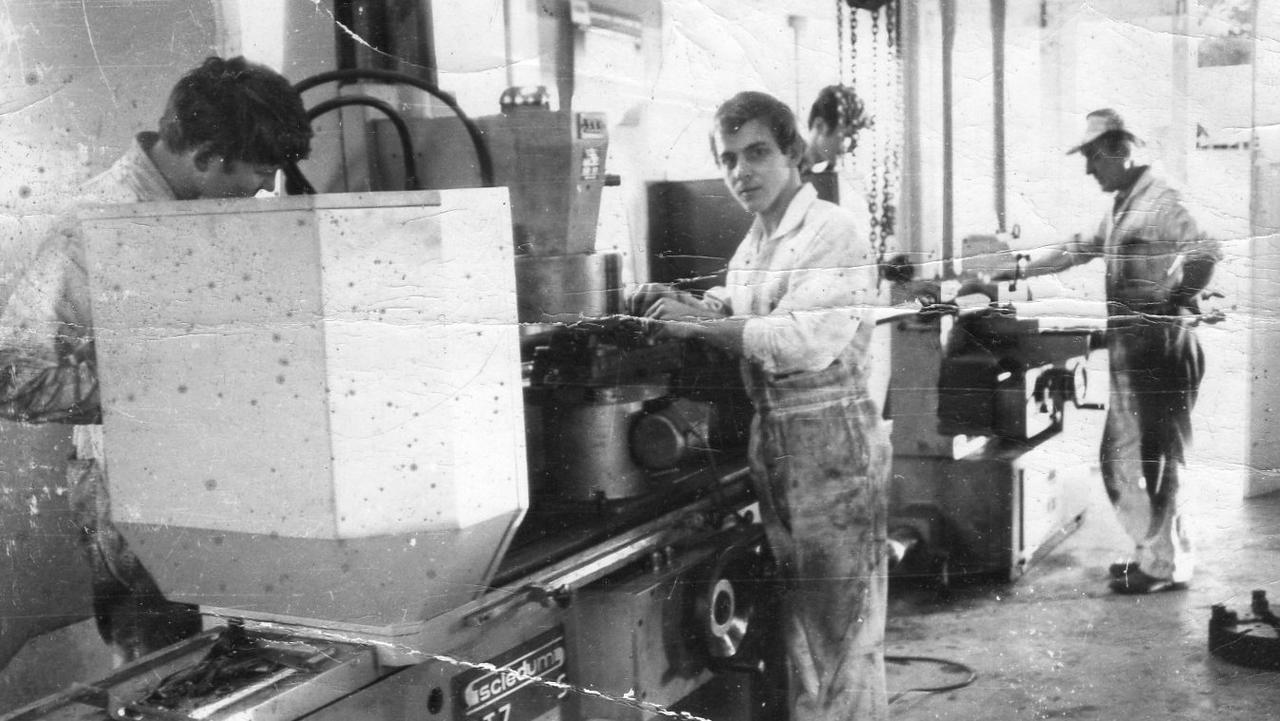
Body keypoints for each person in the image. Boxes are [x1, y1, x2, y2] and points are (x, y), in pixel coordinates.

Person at [0, 55, 313, 663]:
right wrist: (155, 388)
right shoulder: (94, 226)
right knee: (166, 681)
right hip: (142, 523)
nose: (261, 189)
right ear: (205, 157)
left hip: (231, 498)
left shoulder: (207, 206)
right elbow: (14, 377)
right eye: (258, 172)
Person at [631, 91, 890, 720]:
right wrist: (699, 306)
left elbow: (796, 339)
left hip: (833, 449)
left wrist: (697, 330)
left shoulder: (832, 231)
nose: (741, 171)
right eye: (728, 159)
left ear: (793, 153)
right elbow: (748, 306)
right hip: (779, 445)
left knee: (844, 637)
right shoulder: (757, 242)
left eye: (757, 153)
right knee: (804, 633)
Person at [976, 108, 1220, 594]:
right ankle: (1157, 554)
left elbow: (1206, 250)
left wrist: (1173, 298)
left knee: (1159, 459)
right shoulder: (1122, 205)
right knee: (1122, 458)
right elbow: (1076, 248)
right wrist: (1012, 270)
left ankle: (1161, 565)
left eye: (1091, 157)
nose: (1088, 169)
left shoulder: (1161, 198)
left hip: (1164, 347)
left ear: (1118, 150)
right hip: (1136, 352)